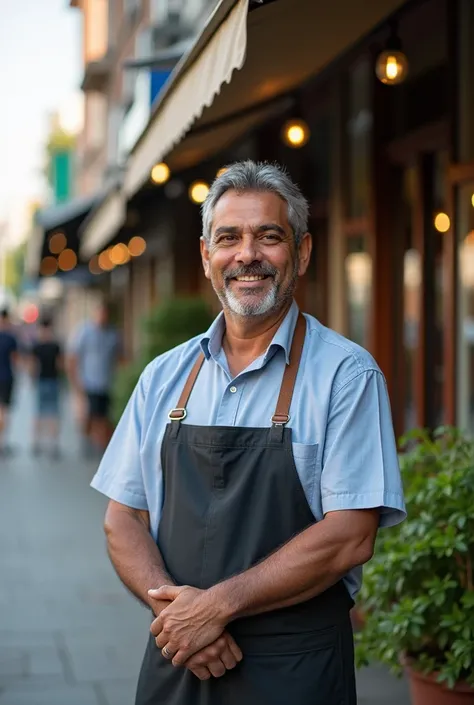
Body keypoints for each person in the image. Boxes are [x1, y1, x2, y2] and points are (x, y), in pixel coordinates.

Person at [91, 161, 406, 705]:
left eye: (269, 236)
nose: (247, 255)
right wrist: (180, 621)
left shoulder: (346, 376)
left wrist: (215, 608)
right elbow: (123, 517)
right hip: (180, 663)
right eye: (228, 238)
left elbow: (351, 533)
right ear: (206, 256)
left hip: (296, 669)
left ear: (302, 253)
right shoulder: (164, 376)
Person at [67, 302, 120, 453]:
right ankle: (88, 440)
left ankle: (100, 443)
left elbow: (118, 356)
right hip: (88, 381)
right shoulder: (84, 332)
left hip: (106, 381)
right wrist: (75, 382)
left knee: (103, 414)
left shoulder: (113, 334)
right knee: (90, 414)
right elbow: (73, 357)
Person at [30, 317, 63, 458]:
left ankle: (36, 443)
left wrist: (32, 379)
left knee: (39, 412)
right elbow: (60, 365)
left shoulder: (37, 346)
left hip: (41, 381)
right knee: (53, 413)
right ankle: (53, 445)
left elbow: (33, 366)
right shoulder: (56, 346)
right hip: (53, 381)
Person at [0, 308, 18, 455]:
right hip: (6, 378)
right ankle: (2, 442)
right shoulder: (10, 338)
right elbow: (15, 359)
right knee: (4, 411)